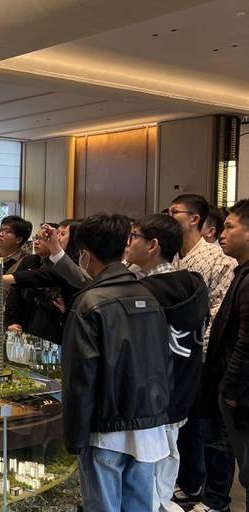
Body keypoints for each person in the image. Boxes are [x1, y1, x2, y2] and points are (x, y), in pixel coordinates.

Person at [62, 213, 171, 512]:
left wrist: (74, 437)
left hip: (105, 430)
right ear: (124, 247)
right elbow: (164, 360)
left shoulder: (88, 303)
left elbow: (80, 377)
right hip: (148, 426)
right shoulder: (149, 296)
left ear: (85, 254)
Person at [124, 214, 209, 512]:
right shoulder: (193, 284)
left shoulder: (141, 293)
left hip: (151, 400)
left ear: (153, 245)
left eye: (134, 236)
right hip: (182, 391)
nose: (128, 243)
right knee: (168, 461)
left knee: (146, 472)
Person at [169, 194, 237, 512]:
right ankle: (189, 482)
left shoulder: (217, 260)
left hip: (204, 357)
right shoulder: (172, 256)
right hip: (176, 357)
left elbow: (218, 313)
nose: (169, 217)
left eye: (175, 212)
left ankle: (215, 498)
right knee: (185, 426)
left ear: (195, 218)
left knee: (209, 431)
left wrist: (194, 347)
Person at [204, 200, 249, 512]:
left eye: (230, 227)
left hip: (241, 395)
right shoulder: (241, 273)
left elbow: (246, 342)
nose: (222, 234)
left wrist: (230, 389)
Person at [5, 224, 65, 343]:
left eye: (42, 239)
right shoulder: (29, 260)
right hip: (25, 323)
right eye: (36, 238)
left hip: (52, 329)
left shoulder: (61, 266)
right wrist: (11, 321)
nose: (36, 242)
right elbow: (15, 292)